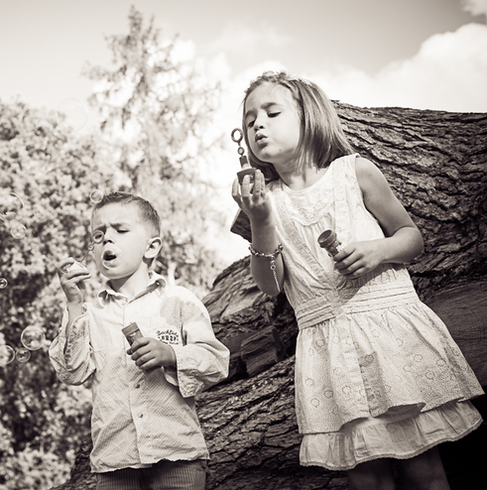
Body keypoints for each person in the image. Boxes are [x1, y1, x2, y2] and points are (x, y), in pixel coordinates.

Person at [230, 71, 484, 490]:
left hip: (389, 333)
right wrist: (259, 220)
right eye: (249, 118)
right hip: (328, 347)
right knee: (368, 478)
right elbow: (271, 284)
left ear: (308, 116)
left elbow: (412, 237)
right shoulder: (265, 202)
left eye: (272, 112)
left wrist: (377, 250)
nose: (257, 124)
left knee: (425, 471)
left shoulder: (356, 172)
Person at [49, 191, 229, 490]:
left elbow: (216, 363)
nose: (107, 239)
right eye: (98, 234)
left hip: (178, 456)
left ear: (152, 246)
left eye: (120, 230)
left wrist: (172, 355)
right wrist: (72, 304)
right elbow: (71, 372)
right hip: (115, 462)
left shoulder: (179, 300)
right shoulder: (89, 315)